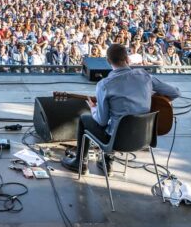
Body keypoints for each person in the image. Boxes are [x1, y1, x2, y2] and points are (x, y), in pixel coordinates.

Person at [61, 43, 180, 176]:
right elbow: (175, 92)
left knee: (86, 119)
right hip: (144, 138)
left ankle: (80, 163)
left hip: (117, 141)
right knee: (118, 119)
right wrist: (150, 99)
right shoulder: (145, 76)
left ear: (108, 61)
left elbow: (101, 121)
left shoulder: (104, 85)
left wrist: (93, 108)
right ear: (127, 58)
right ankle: (107, 162)